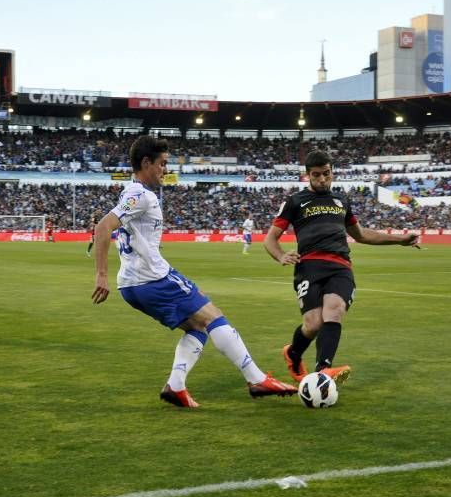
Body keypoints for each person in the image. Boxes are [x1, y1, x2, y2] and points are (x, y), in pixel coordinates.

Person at [91, 135, 297, 408]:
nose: (166, 170)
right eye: (162, 164)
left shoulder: (131, 192)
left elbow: (111, 226)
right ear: (145, 162)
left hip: (132, 284)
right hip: (153, 279)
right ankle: (256, 379)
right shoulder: (141, 194)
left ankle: (176, 386)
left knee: (197, 328)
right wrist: (101, 274)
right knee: (214, 318)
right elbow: (104, 227)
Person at [264, 150, 419, 387]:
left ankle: (322, 370)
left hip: (340, 266)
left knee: (334, 310)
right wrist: (281, 255)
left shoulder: (341, 201)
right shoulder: (295, 201)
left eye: (326, 174)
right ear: (308, 176)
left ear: (332, 172)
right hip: (309, 267)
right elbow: (270, 239)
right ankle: (293, 354)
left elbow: (361, 234)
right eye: (316, 175)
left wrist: (399, 239)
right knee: (313, 324)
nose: (322, 179)